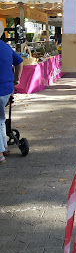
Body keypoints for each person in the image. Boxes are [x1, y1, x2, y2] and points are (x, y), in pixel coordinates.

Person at [0, 22, 23, 164]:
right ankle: (5, 147)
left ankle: (1, 154)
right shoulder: (6, 47)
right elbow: (20, 62)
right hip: (7, 89)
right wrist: (17, 79)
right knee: (1, 120)